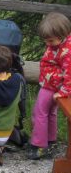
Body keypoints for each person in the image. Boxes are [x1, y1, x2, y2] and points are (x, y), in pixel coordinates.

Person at [27, 12, 71, 160]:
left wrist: (64, 91)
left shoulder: (67, 51)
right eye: (46, 40)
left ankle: (38, 145)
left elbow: (69, 72)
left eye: (51, 41)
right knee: (50, 113)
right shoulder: (60, 44)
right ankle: (51, 141)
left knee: (39, 112)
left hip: (52, 86)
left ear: (63, 34)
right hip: (51, 83)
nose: (48, 44)